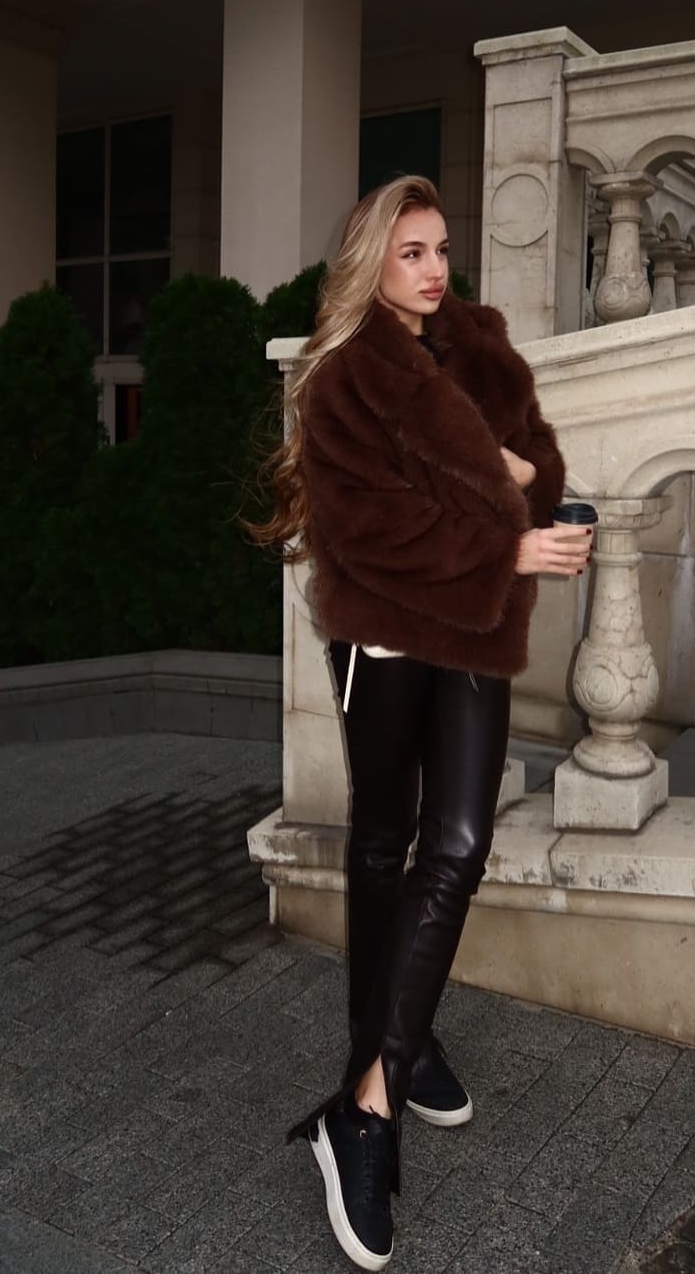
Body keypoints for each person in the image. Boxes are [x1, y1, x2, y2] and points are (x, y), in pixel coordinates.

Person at [249, 175, 591, 1270]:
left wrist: (523, 488)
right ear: (372, 262)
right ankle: (397, 1046)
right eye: (411, 252)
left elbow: (539, 468)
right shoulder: (344, 378)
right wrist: (501, 530)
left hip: (474, 630)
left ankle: (367, 1100)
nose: (435, 269)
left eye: (441, 248)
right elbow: (368, 532)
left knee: (459, 843)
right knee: (384, 843)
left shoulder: (477, 346)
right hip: (389, 635)